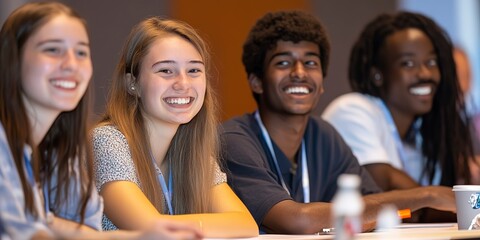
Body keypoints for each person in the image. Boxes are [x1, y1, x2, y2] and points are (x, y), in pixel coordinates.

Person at [221, 10, 456, 234]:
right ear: (256, 82)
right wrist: (426, 195)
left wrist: (370, 213)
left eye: (311, 63)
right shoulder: (234, 140)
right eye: (283, 63)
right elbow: (297, 221)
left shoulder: (323, 134)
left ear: (322, 82)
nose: (299, 72)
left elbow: (374, 207)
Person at [0, 2, 202, 239]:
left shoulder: (63, 149)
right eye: (52, 50)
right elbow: (27, 233)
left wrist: (142, 236)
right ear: (12, 59)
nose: (71, 64)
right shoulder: (5, 143)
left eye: (81, 52)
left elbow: (60, 225)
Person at [91, 16, 258, 238]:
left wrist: (168, 225)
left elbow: (246, 224)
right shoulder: (107, 140)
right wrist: (206, 225)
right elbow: (151, 229)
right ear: (133, 83)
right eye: (166, 71)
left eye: (194, 70)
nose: (183, 84)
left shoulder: (193, 152)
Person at [322, 12, 478, 191]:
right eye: (408, 64)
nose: (425, 73)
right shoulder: (353, 110)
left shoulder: (422, 133)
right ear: (378, 75)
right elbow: (385, 188)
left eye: (431, 62)